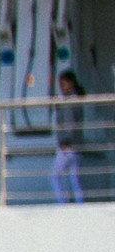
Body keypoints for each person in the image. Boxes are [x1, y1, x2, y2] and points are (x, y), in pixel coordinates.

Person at [53, 70, 85, 204]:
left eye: (63, 83)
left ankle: (62, 203)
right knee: (74, 178)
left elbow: (69, 122)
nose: (61, 86)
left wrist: (65, 141)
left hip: (68, 145)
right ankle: (80, 204)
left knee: (54, 176)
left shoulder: (70, 100)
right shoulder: (77, 98)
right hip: (77, 145)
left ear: (70, 82)